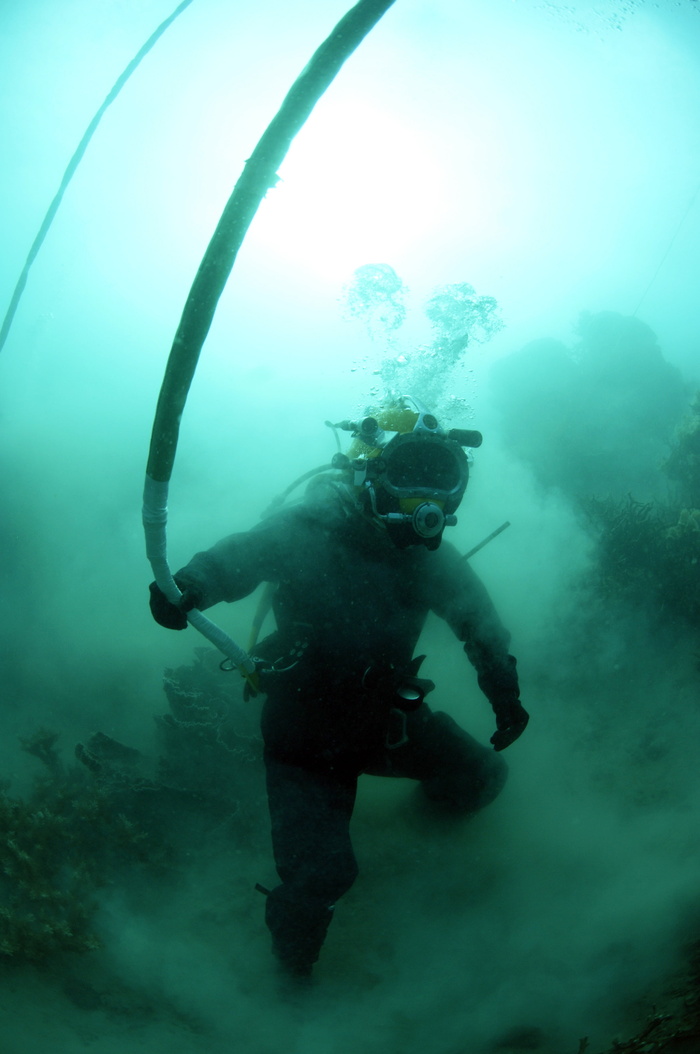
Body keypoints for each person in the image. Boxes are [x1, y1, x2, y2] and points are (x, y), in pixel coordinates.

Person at [149, 396, 529, 981]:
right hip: (304, 737)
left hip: (385, 724)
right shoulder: (309, 528)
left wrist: (504, 693)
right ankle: (290, 976)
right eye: (409, 473)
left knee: (482, 777)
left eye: (442, 478)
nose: (425, 498)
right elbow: (239, 556)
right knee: (322, 875)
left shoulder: (431, 559)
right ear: (373, 471)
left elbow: (481, 627)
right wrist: (189, 587)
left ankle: (411, 840)